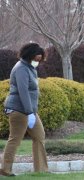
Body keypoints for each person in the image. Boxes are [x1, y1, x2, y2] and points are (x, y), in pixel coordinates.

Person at [0, 43, 48, 176]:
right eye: (36, 59)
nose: (37, 62)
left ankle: (41, 171)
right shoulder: (21, 68)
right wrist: (29, 112)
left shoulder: (30, 68)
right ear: (29, 56)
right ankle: (5, 170)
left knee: (39, 136)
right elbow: (23, 92)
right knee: (15, 139)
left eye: (39, 60)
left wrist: (32, 112)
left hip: (29, 111)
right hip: (18, 110)